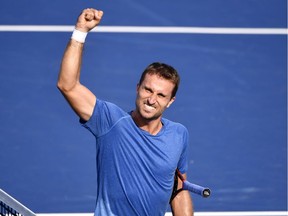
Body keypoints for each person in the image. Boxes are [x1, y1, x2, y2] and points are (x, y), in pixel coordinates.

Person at [57, 8, 193, 216]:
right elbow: (68, 85)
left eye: (161, 95)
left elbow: (179, 187)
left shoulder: (179, 134)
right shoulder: (110, 121)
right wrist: (80, 31)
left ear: (170, 101)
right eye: (148, 89)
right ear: (137, 87)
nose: (151, 99)